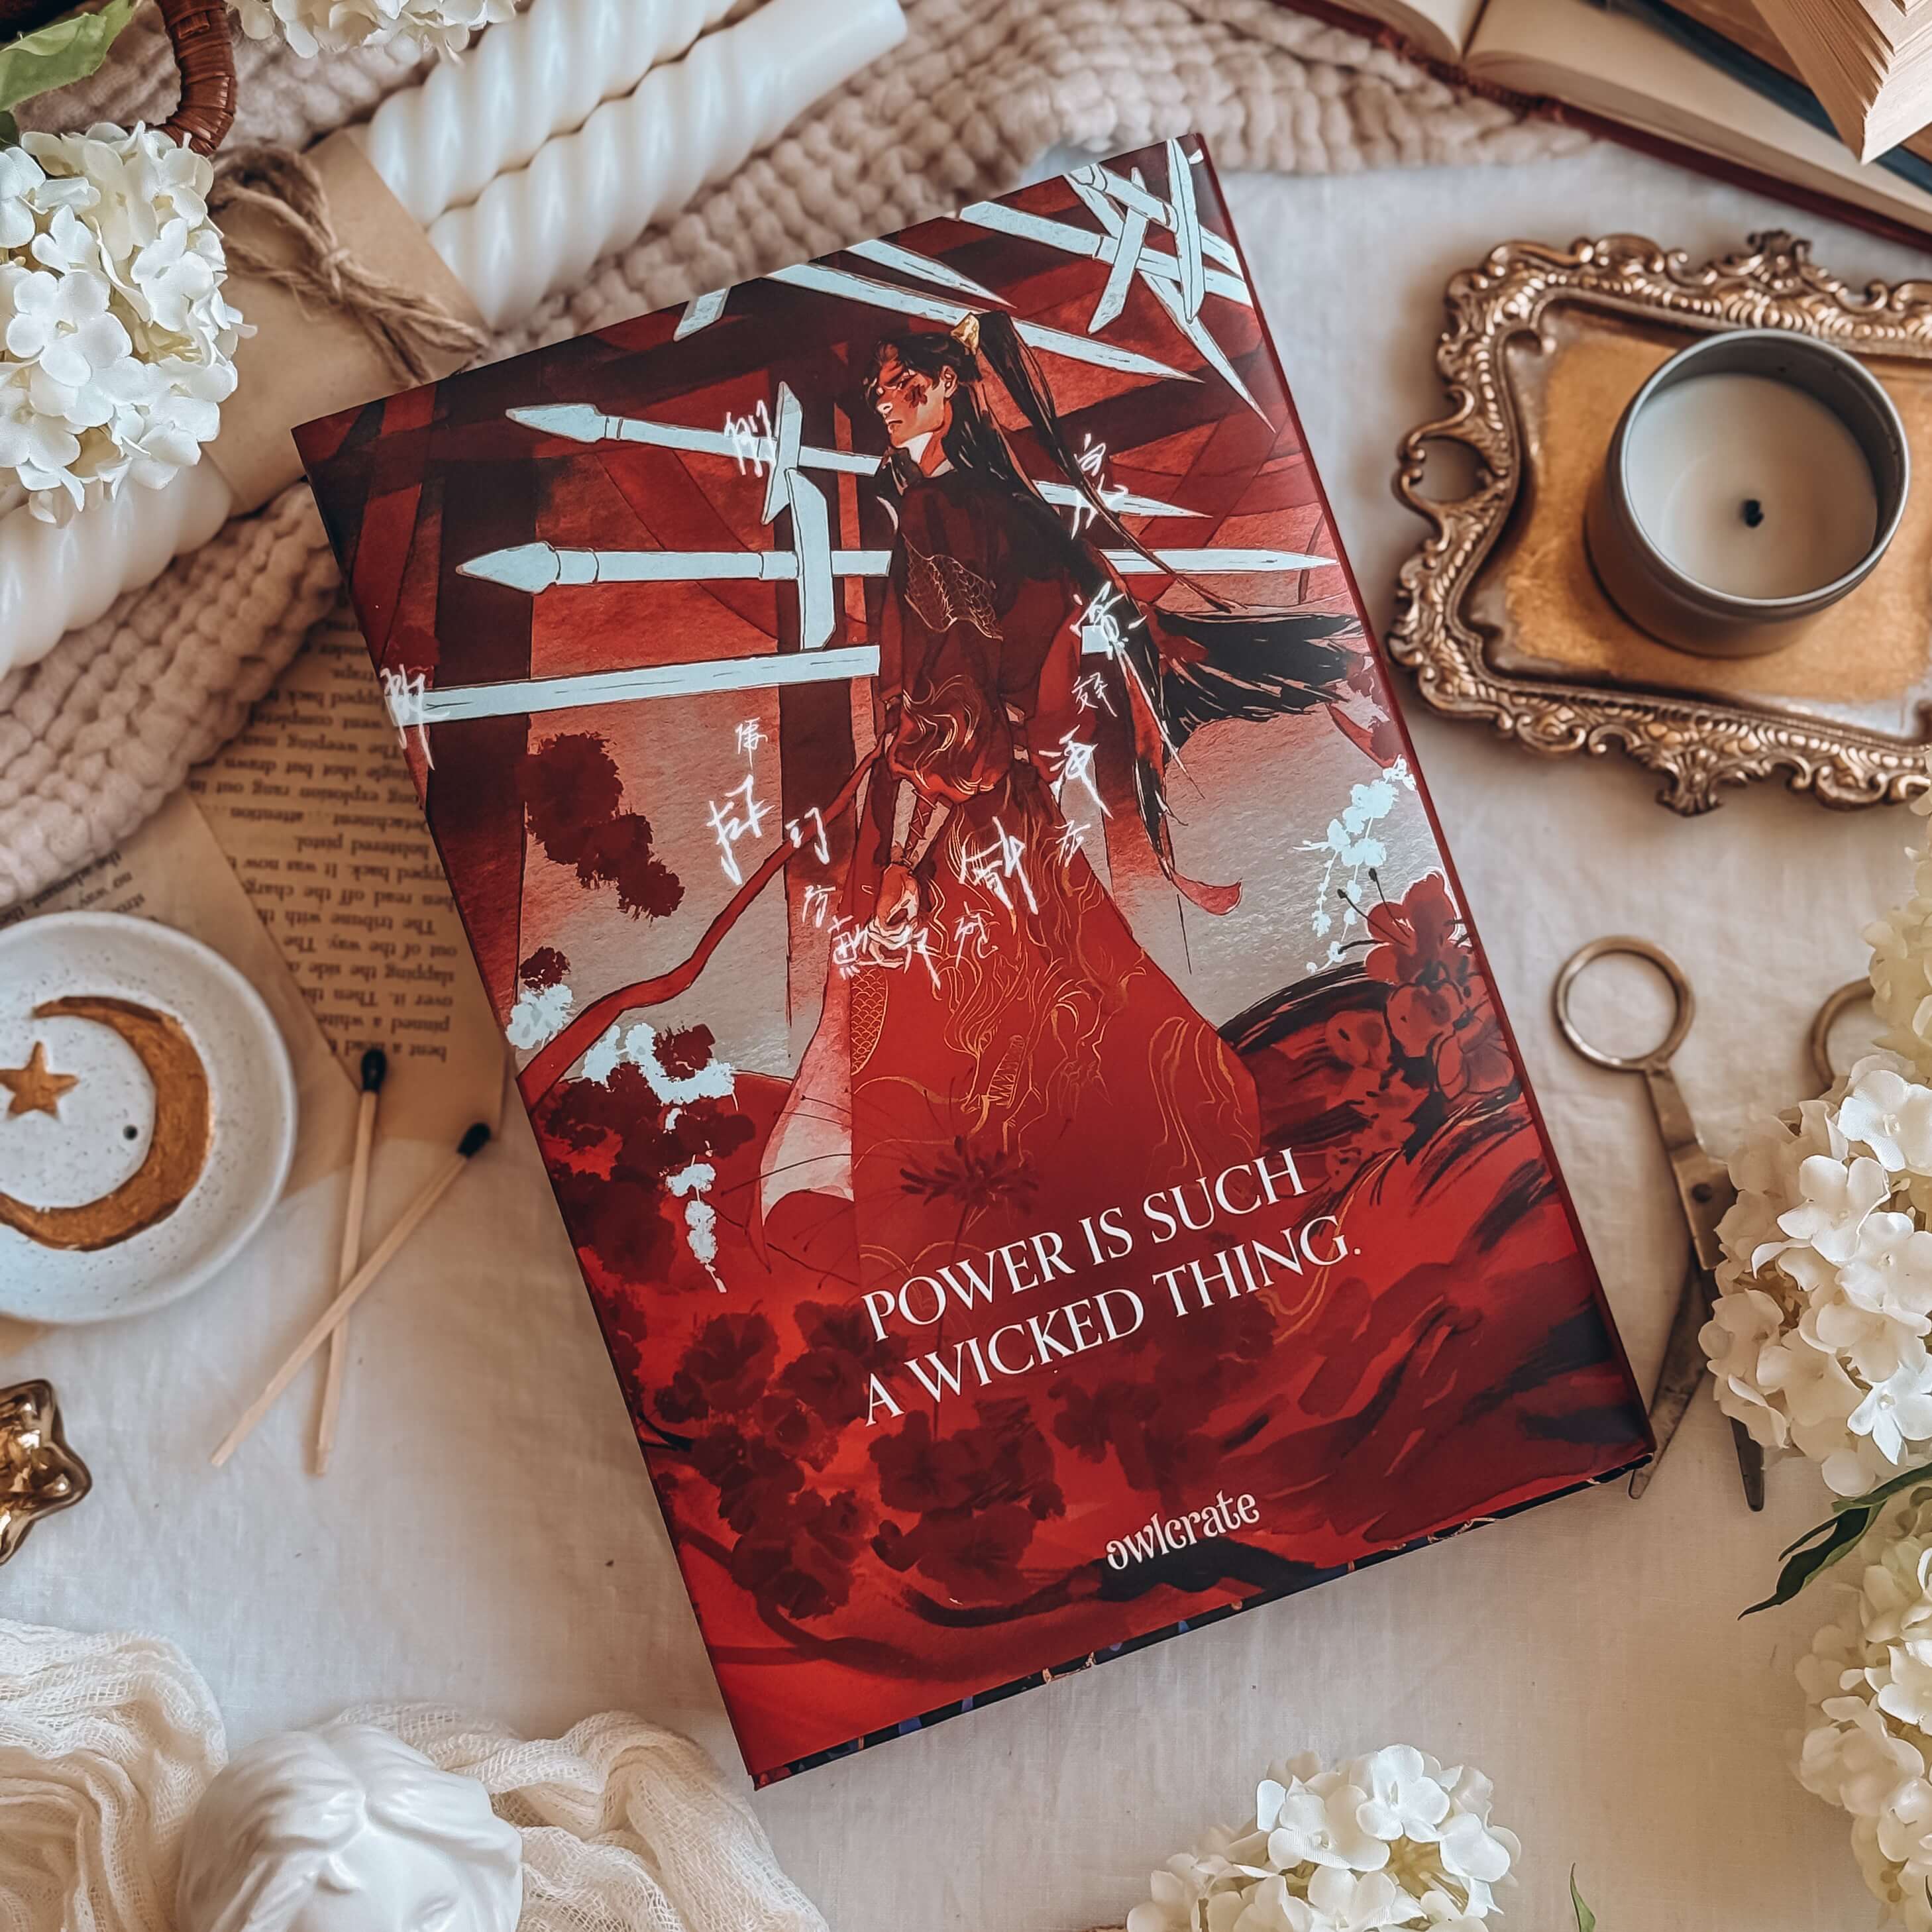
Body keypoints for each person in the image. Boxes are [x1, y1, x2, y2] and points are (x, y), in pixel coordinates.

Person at [757, 311, 1353, 1297]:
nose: (887, 403)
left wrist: (909, 848)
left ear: (951, 389)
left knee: (961, 1010)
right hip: (1001, 798)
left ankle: (979, 1241)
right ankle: (1106, 1193)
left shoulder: (941, 510)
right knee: (1054, 982)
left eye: (906, 385)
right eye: (879, 391)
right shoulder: (1006, 508)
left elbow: (959, 687)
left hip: (956, 803)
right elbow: (1018, 672)